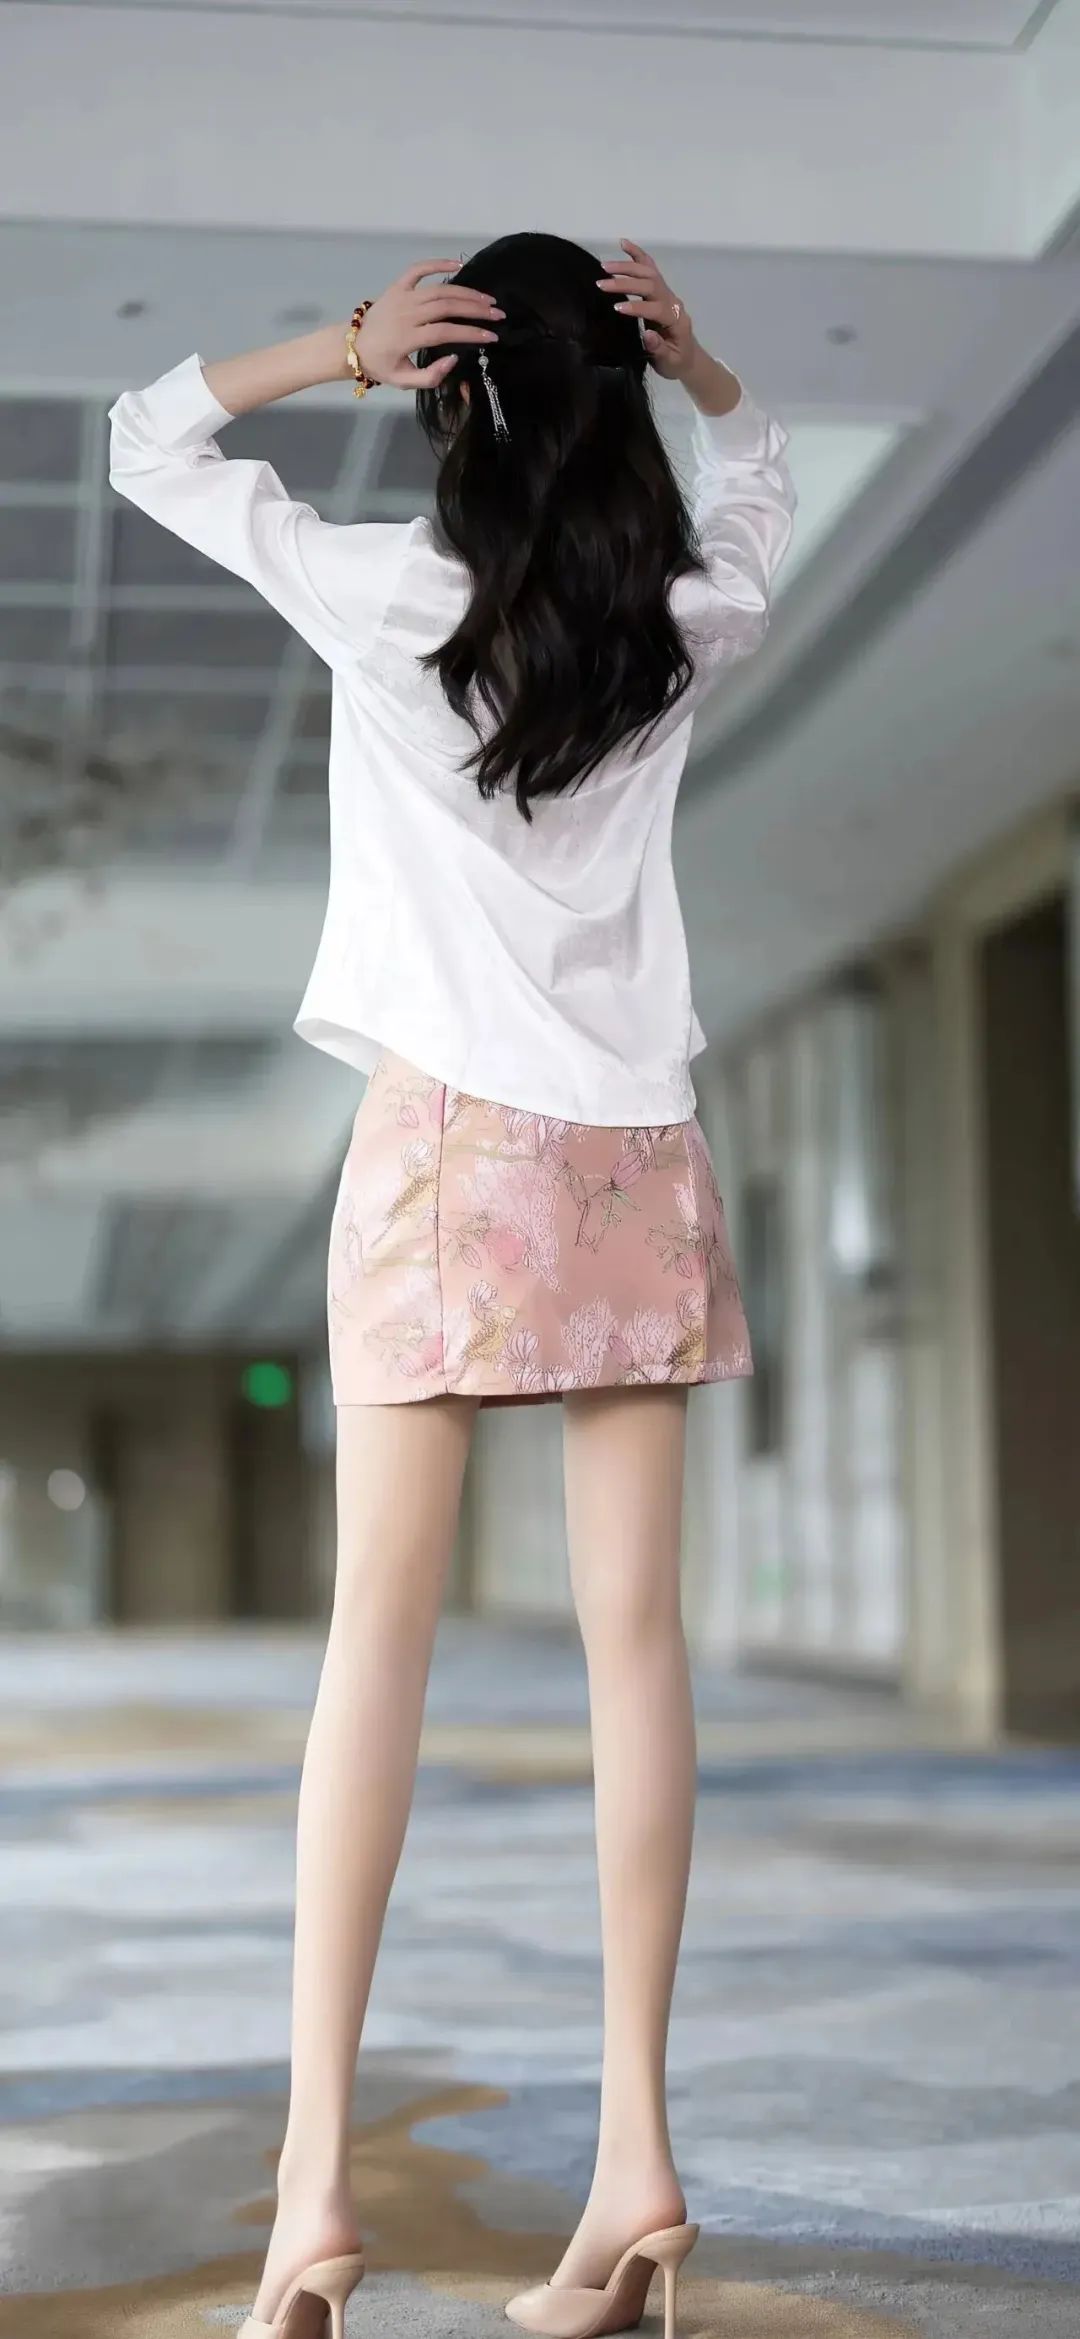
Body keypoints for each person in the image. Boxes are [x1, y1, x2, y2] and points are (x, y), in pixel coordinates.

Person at [108, 232, 795, 2339]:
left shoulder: (391, 593)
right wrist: (706, 370)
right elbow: (760, 490)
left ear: (452, 398)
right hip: (638, 1155)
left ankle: (314, 2194)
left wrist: (337, 346)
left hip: (445, 1163)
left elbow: (149, 441)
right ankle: (637, 2160)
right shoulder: (686, 618)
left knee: (375, 1652)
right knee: (636, 1650)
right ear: (622, 396)